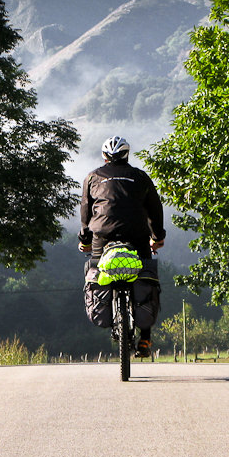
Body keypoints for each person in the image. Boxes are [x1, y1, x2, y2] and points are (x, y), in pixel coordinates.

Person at [78, 135, 166, 358]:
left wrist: (85, 240)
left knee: (97, 269)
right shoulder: (140, 177)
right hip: (136, 235)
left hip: (102, 236)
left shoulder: (92, 177)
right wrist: (157, 237)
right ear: (127, 155)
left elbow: (86, 213)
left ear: (104, 157)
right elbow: (155, 210)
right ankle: (145, 338)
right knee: (145, 273)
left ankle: (107, 308)